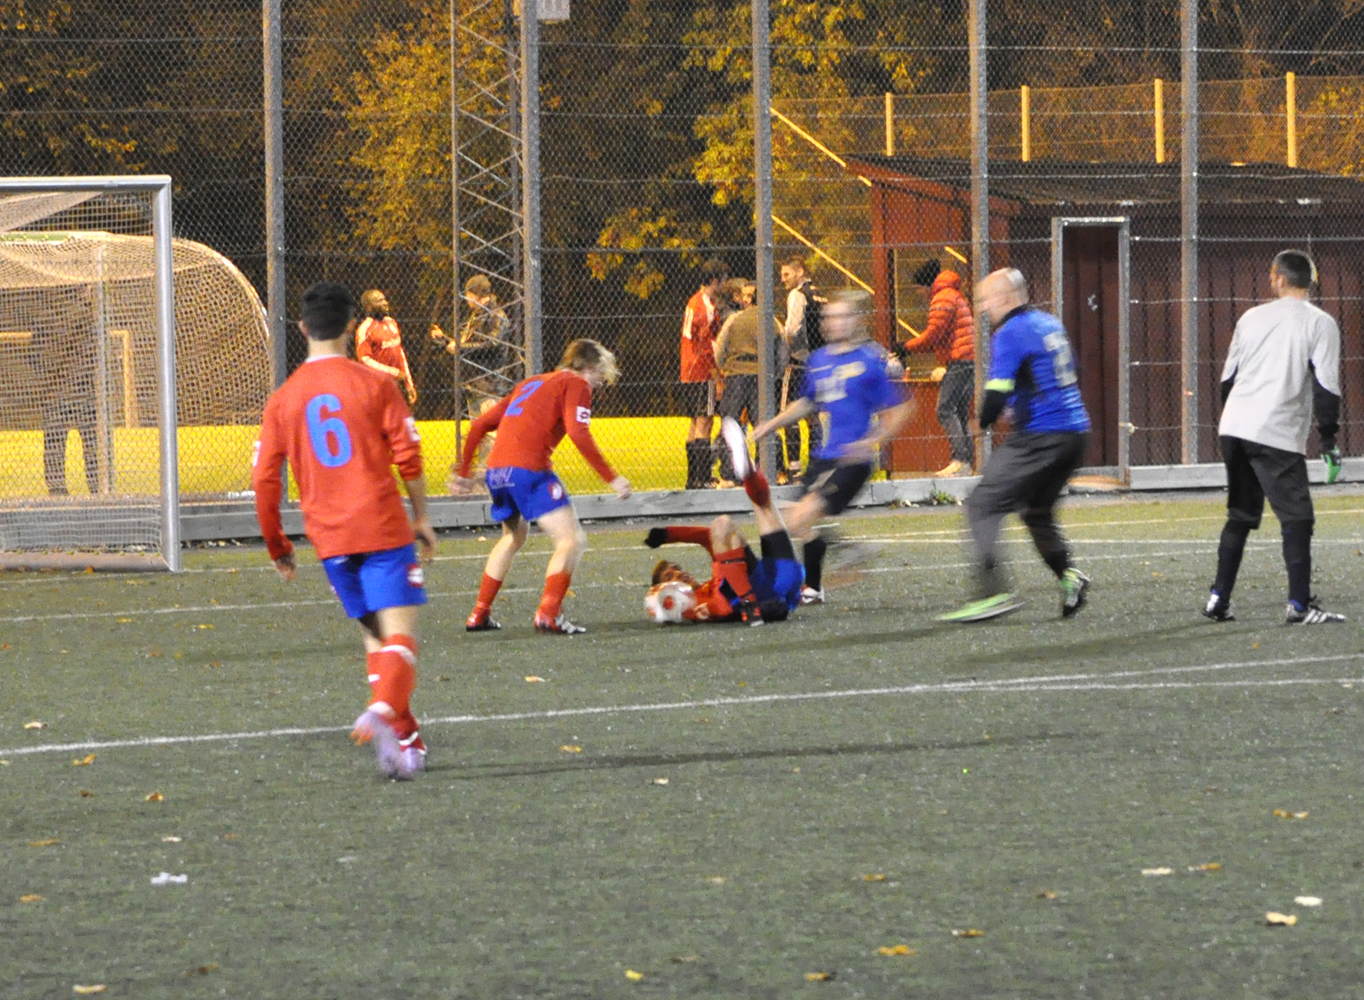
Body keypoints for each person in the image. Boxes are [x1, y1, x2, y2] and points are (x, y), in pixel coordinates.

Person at [253, 281, 436, 780]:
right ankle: (382, 710)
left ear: (301, 328)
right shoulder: (375, 385)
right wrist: (421, 517)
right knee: (399, 641)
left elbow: (265, 480)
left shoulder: (284, 399)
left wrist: (278, 546)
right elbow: (409, 455)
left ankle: (407, 744)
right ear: (351, 324)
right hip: (382, 529)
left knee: (376, 640)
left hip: (331, 542)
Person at [938, 268, 1091, 623]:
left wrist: (982, 422)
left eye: (987, 299)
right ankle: (1069, 576)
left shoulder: (1010, 331)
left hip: (1042, 435)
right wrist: (1022, 402)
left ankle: (993, 594)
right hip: (1075, 433)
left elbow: (996, 392)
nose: (983, 308)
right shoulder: (1049, 323)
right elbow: (1071, 372)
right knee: (1036, 512)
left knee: (982, 505)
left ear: (1006, 297)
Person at [451, 339, 632, 634]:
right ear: (589, 365)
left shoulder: (531, 382)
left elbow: (479, 425)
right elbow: (578, 432)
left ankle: (479, 613)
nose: (602, 379)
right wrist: (612, 477)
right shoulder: (577, 383)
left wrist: (464, 473)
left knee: (513, 537)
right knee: (571, 540)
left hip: (498, 473)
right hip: (529, 470)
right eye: (602, 370)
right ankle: (549, 614)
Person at [1203, 249, 1345, 624]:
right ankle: (1299, 605)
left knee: (1240, 515)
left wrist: (1238, 418)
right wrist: (1328, 442)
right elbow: (1326, 387)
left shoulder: (1250, 317)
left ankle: (1218, 599)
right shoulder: (1320, 323)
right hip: (1276, 430)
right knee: (1298, 519)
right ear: (1310, 281)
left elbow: (1227, 380)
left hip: (1235, 427)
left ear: (1278, 278)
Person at [752, 289, 911, 604]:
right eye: (830, 317)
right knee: (795, 520)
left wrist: (872, 440)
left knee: (799, 517)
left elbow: (902, 409)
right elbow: (807, 402)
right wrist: (771, 425)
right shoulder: (818, 360)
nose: (836, 323)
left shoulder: (868, 361)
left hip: (852, 461)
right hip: (823, 458)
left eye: (843, 316)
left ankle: (838, 560)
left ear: (856, 321)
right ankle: (817, 585)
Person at [644, 418, 804, 625]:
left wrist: (668, 534)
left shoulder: (708, 586)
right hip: (766, 593)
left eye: (676, 568)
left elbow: (707, 537)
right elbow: (722, 607)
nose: (678, 573)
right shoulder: (693, 605)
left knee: (762, 505)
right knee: (723, 525)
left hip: (776, 576)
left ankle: (749, 472)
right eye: (669, 576)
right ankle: (750, 605)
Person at [901, 258, 976, 476]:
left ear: (927, 285)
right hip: (969, 358)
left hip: (959, 359)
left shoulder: (942, 298)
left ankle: (960, 459)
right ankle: (966, 462)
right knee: (959, 411)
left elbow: (933, 334)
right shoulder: (953, 294)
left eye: (919, 288)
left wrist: (906, 347)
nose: (919, 293)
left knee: (945, 409)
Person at [712, 278, 781, 483]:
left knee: (730, 424)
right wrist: (775, 373)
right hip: (761, 376)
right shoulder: (771, 320)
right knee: (764, 424)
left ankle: (730, 472)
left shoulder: (735, 319)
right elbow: (782, 348)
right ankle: (766, 469)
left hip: (736, 376)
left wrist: (725, 368)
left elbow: (720, 348)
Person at [430, 274, 517, 416]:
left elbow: (491, 344)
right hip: (476, 385)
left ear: (476, 295)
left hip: (490, 386)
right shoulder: (476, 316)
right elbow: (468, 344)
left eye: (468, 294)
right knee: (478, 427)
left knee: (490, 427)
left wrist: (460, 348)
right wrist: (445, 339)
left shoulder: (496, 316)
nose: (466, 299)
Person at [680, 258, 729, 489]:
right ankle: (702, 478)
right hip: (701, 371)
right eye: (723, 280)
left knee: (695, 423)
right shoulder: (705, 307)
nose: (725, 285)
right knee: (704, 422)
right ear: (715, 281)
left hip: (689, 370)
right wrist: (717, 376)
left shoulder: (694, 301)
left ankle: (693, 479)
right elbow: (705, 346)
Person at [777, 257, 825, 483]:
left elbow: (793, 329)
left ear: (800, 272)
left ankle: (794, 468)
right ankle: (816, 466)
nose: (783, 279)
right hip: (817, 362)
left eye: (787, 274)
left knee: (790, 414)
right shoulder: (818, 293)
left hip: (798, 361)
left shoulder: (797, 295)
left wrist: (783, 347)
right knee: (814, 416)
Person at [355, 289, 417, 406]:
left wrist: (409, 383)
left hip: (395, 387)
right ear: (369, 307)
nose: (385, 303)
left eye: (384, 299)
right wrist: (394, 372)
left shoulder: (391, 323)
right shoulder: (365, 329)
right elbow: (364, 360)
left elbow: (400, 354)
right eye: (379, 301)